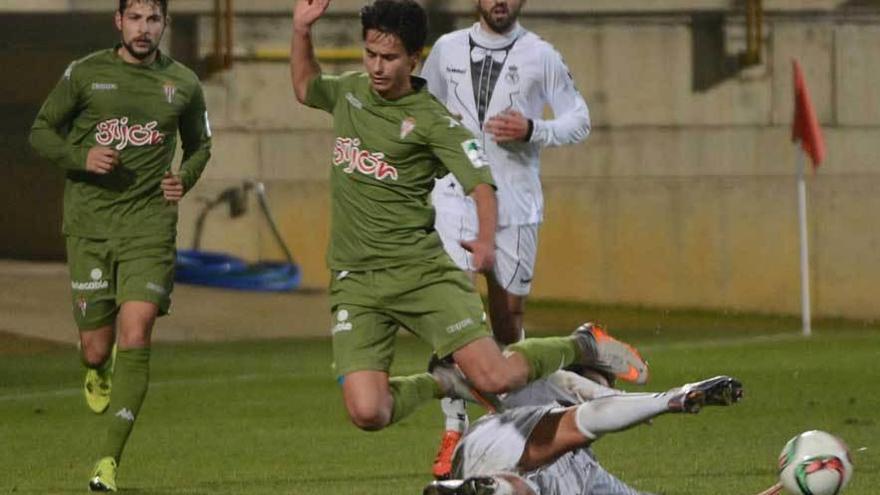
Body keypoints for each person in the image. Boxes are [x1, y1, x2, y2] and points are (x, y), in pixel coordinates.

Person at [289, 0, 646, 436]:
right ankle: (444, 382)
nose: (377, 67)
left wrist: (484, 240)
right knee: (369, 412)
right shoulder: (349, 93)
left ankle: (581, 345)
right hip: (356, 281)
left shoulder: (436, 122)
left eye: (389, 58)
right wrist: (302, 31)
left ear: (414, 59)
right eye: (371, 55)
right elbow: (305, 85)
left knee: (497, 373)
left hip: (420, 273)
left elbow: (482, 183)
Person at [29, 0, 212, 490]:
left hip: (149, 228)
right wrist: (81, 156)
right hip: (90, 226)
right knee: (96, 347)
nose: (144, 29)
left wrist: (185, 179)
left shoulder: (184, 84)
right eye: (135, 18)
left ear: (164, 24)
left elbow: (201, 145)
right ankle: (95, 364)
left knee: (138, 331)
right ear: (119, 22)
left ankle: (107, 462)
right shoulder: (85, 74)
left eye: (153, 20)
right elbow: (40, 132)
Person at [419, 0, 591, 477]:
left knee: (507, 317)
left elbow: (580, 119)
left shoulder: (542, 55)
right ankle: (454, 427)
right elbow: (418, 107)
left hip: (515, 203)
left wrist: (533, 128)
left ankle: (519, 419)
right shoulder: (447, 49)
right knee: (454, 311)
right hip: (454, 197)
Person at [424, 329, 745, 495]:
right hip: (503, 438)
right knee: (573, 427)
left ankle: (492, 488)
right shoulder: (546, 382)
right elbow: (594, 407)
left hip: (496, 455)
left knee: (543, 480)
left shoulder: (589, 471)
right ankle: (494, 487)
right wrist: (672, 398)